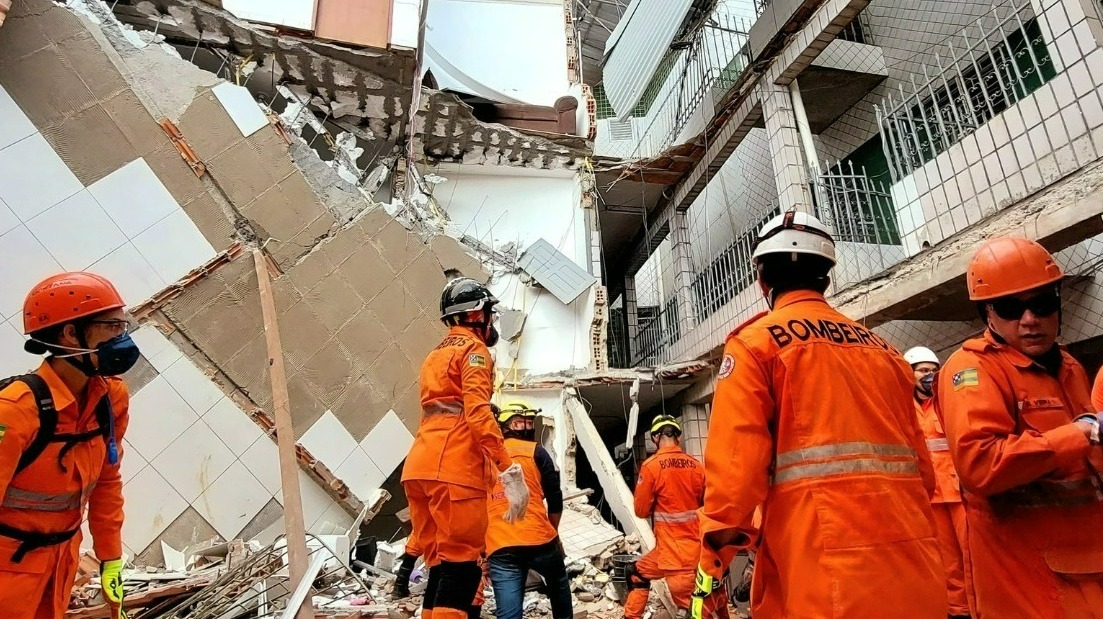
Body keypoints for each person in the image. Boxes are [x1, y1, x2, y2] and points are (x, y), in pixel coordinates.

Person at [691, 211, 946, 619]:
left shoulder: (755, 346)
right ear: (826, 279)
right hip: (916, 573)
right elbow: (924, 474)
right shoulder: (887, 354)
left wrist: (712, 561)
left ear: (762, 280)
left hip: (824, 580)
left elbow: (735, 480)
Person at [936, 237, 1103, 618]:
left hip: (1086, 560)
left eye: (1042, 304)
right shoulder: (973, 370)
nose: (1030, 320)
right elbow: (980, 464)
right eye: (1012, 308)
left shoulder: (1069, 366)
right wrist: (1079, 435)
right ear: (988, 314)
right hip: (1028, 575)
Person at [0, 272, 138, 619]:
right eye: (111, 327)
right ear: (70, 333)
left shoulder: (110, 397)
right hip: (8, 573)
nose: (122, 338)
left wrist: (110, 558)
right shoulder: (15, 412)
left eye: (123, 327)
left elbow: (107, 481)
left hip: (60, 566)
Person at [401, 277, 529, 619]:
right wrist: (508, 469)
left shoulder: (433, 356)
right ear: (475, 314)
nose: (492, 319)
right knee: (462, 569)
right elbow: (478, 415)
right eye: (489, 311)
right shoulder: (474, 352)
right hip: (454, 468)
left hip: (419, 467)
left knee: (441, 568)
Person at [626, 415, 728, 619]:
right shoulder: (696, 466)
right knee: (637, 572)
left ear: (655, 437)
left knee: (695, 612)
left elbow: (640, 511)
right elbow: (708, 506)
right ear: (678, 437)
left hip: (674, 558)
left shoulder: (651, 466)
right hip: (699, 554)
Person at [484, 401, 572, 619]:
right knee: (559, 583)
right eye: (523, 423)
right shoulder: (537, 451)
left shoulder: (485, 456)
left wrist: (482, 553)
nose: (527, 427)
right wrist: (554, 533)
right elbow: (555, 499)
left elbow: (475, 506)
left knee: (509, 612)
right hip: (539, 539)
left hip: (500, 544)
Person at [905, 346, 969, 619]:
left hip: (959, 490)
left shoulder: (948, 401)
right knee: (948, 560)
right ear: (910, 375)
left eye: (933, 371)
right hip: (930, 495)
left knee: (972, 555)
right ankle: (959, 611)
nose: (929, 376)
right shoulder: (905, 408)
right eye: (922, 371)